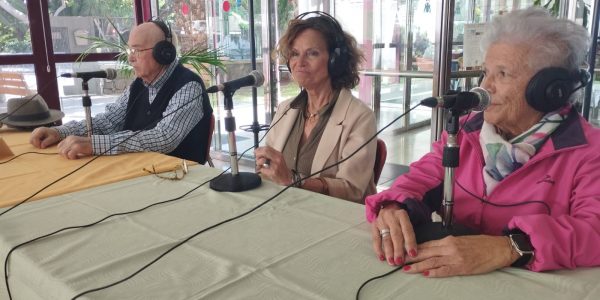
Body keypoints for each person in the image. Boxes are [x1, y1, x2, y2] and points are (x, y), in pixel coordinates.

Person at [365, 7, 600, 276]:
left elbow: (594, 230)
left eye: (502, 74)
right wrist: (394, 207)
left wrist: (509, 248)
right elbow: (421, 178)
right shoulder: (465, 131)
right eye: (485, 72)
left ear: (549, 89)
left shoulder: (590, 150)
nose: (484, 87)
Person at [30, 20, 213, 164]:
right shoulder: (139, 85)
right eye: (130, 50)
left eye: (137, 50)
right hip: (141, 168)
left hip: (181, 178)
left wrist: (96, 144)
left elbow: (164, 138)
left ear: (163, 53)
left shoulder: (189, 86)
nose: (130, 58)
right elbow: (109, 121)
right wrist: (60, 132)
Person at [254, 12, 376, 203]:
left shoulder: (360, 117)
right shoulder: (286, 109)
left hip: (333, 219)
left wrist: (294, 181)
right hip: (283, 209)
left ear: (336, 61)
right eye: (294, 54)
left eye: (312, 53)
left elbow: (352, 190)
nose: (300, 63)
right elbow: (270, 171)